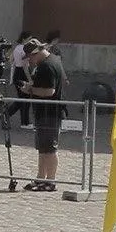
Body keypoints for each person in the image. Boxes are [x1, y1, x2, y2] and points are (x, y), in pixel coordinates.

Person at [20, 38, 66, 191]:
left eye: (30, 57)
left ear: (36, 53)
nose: (30, 60)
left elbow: (49, 91)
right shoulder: (51, 61)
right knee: (43, 147)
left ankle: (51, 181)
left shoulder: (47, 66)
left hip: (49, 112)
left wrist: (30, 90)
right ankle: (41, 178)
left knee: (50, 148)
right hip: (44, 112)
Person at [9, 31, 34, 129]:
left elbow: (11, 60)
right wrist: (30, 79)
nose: (30, 41)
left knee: (21, 98)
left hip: (17, 73)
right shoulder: (24, 49)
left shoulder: (17, 48)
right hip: (23, 74)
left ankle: (7, 113)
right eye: (29, 39)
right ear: (24, 39)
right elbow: (25, 67)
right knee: (25, 99)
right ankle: (25, 122)